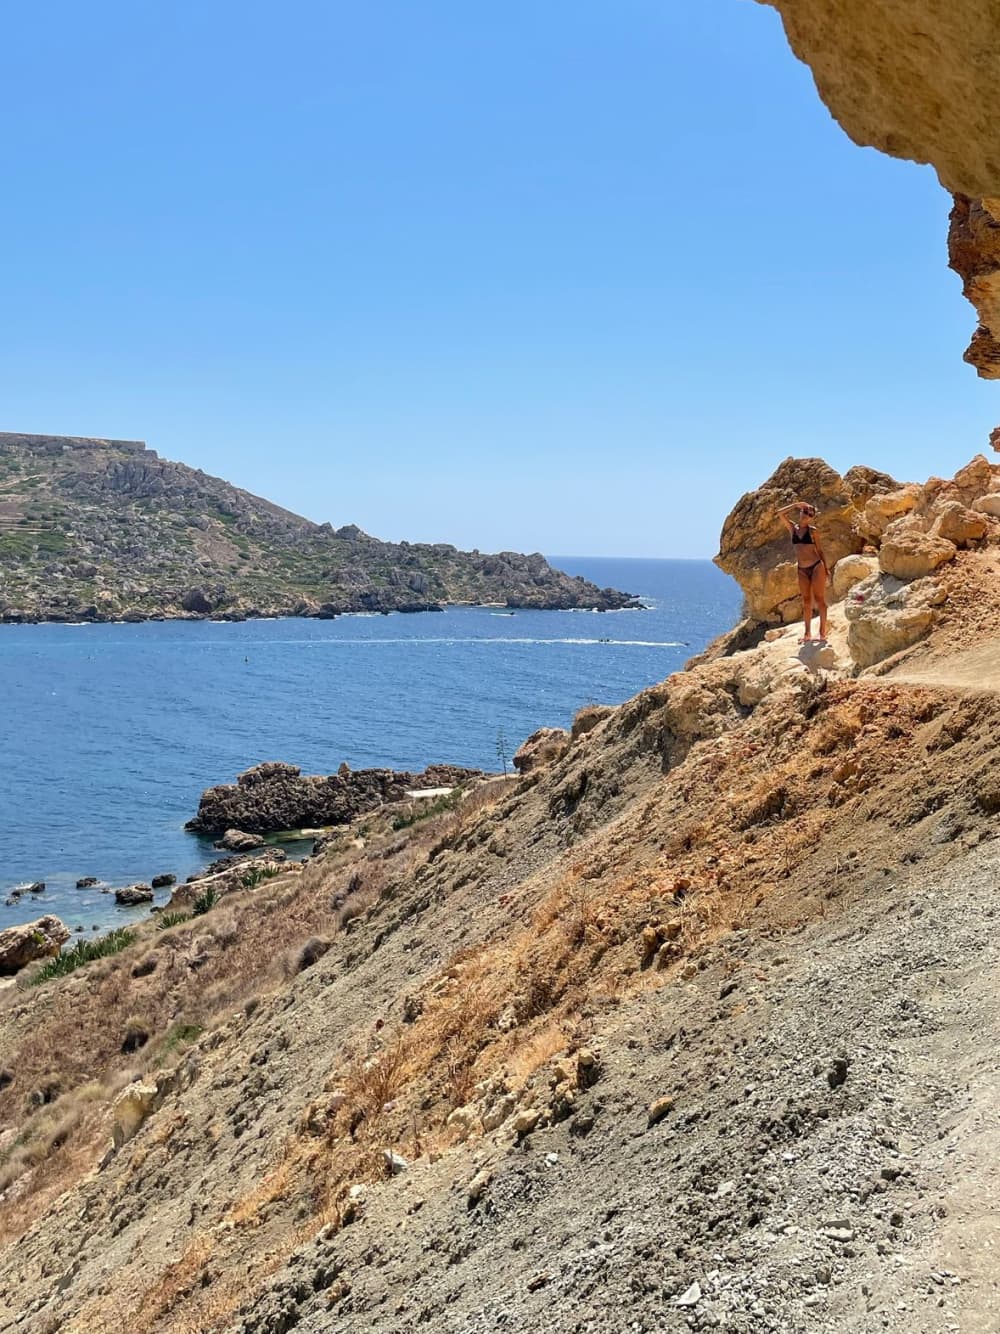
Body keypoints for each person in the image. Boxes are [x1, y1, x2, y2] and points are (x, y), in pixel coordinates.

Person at [777, 501, 828, 642]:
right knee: (806, 601)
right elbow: (780, 513)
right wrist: (795, 505)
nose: (807, 516)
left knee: (820, 600)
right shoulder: (793, 528)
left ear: (812, 518)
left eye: (810, 514)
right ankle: (807, 634)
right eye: (805, 512)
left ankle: (822, 633)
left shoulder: (813, 531)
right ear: (800, 512)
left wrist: (826, 569)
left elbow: (820, 550)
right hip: (801, 569)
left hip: (817, 566)